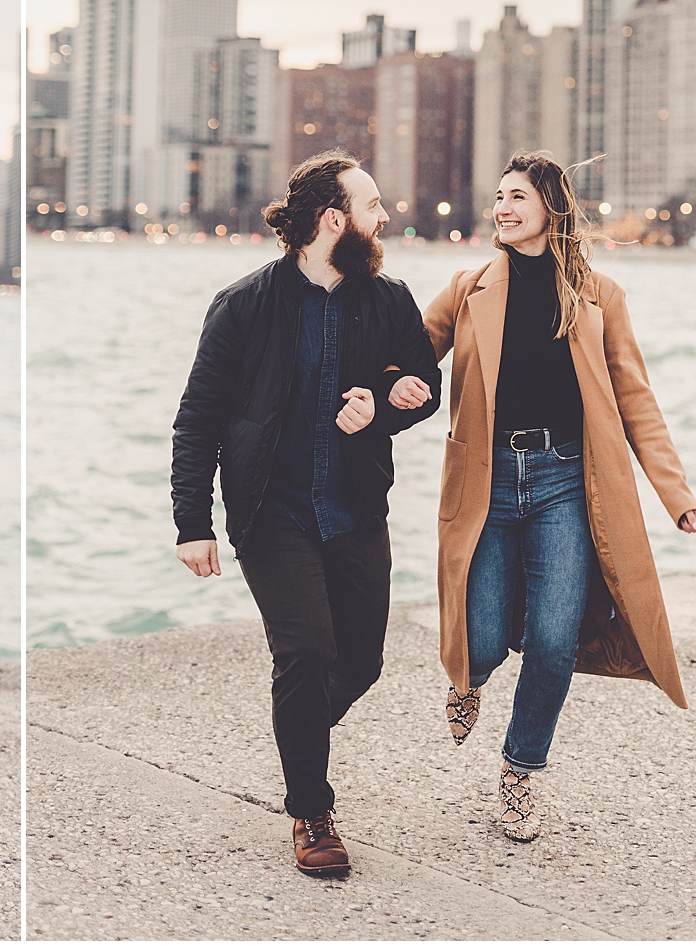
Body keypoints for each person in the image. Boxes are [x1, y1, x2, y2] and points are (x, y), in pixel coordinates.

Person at [395, 152, 696, 841]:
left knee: (556, 638)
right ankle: (468, 676)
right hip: (489, 483)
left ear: (550, 207)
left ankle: (518, 774)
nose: (502, 208)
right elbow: (410, 349)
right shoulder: (468, 284)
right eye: (498, 196)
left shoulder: (599, 295)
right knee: (483, 636)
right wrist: (387, 382)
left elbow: (636, 400)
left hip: (567, 480)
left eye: (517, 197)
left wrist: (674, 492)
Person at [171, 150, 442, 876]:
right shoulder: (243, 305)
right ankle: (311, 811)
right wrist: (191, 522)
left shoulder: (389, 299)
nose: (384, 216)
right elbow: (197, 420)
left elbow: (425, 381)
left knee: (362, 659)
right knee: (306, 650)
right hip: (271, 510)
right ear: (333, 219)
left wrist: (387, 404)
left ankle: (297, 735)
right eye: (372, 205)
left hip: (354, 508)